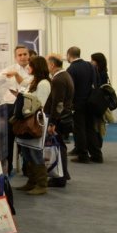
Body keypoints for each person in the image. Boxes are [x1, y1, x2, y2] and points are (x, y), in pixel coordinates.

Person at [16, 56, 52, 195]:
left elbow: (39, 103)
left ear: (36, 67)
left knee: (35, 152)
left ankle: (41, 184)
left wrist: (25, 102)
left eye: (30, 65)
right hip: (27, 120)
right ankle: (31, 182)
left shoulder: (43, 83)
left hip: (35, 121)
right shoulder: (34, 80)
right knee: (26, 152)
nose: (28, 67)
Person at [0, 45, 32, 177]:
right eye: (19, 55)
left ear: (29, 55)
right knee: (9, 140)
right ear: (15, 57)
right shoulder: (8, 70)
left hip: (28, 109)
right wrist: (2, 99)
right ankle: (8, 168)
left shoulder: (33, 70)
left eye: (25, 54)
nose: (22, 57)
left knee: (27, 140)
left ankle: (28, 168)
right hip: (11, 108)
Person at [66, 46, 102, 164]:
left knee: (79, 130)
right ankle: (97, 155)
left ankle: (83, 155)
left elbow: (70, 88)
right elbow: (97, 82)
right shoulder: (90, 66)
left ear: (69, 55)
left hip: (78, 103)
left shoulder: (71, 69)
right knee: (91, 129)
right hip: (91, 102)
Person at [46, 54, 74, 187]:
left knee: (58, 147)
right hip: (64, 116)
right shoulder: (65, 75)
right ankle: (63, 174)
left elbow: (58, 103)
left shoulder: (58, 79)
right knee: (61, 146)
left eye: (47, 64)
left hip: (60, 118)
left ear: (52, 65)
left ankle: (60, 178)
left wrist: (52, 122)